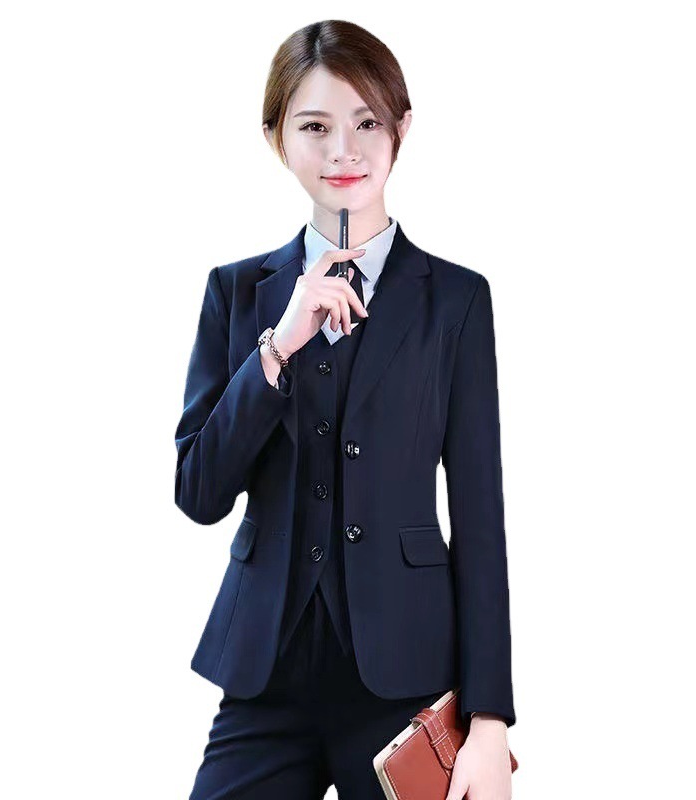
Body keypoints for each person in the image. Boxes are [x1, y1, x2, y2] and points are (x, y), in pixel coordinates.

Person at [174, 20, 516, 800]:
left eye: (366, 123)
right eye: (314, 127)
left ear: (402, 128)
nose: (343, 151)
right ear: (276, 138)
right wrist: (276, 348)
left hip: (407, 680)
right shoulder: (238, 293)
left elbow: (480, 516)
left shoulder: (456, 301)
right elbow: (198, 492)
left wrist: (490, 719)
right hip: (266, 674)